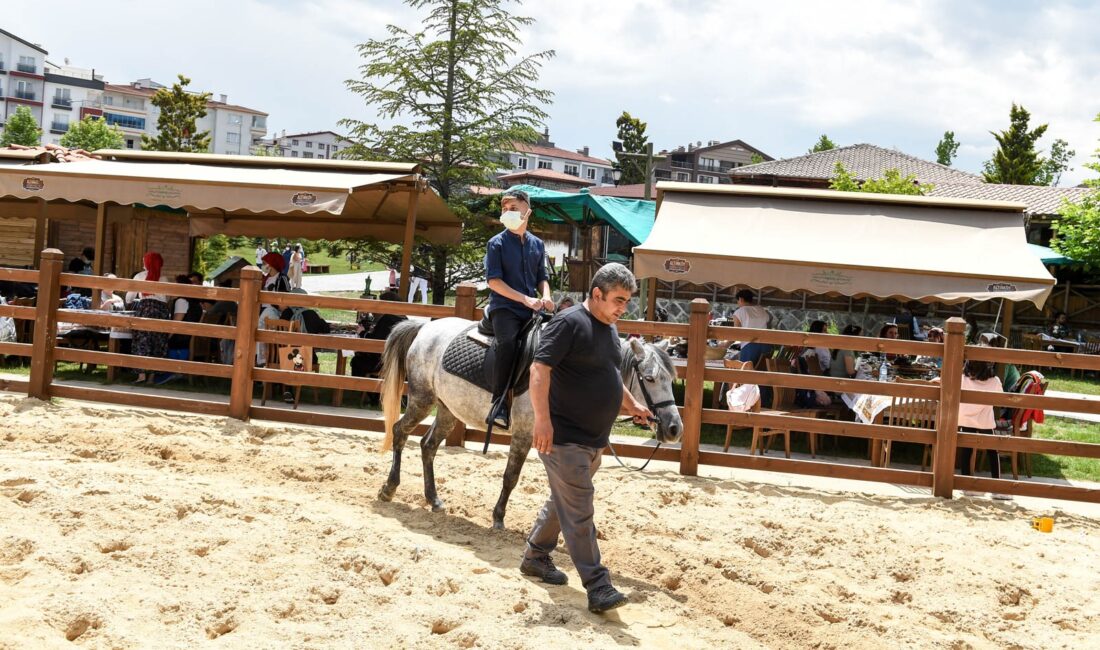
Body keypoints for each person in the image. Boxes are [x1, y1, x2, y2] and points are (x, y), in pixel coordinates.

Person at [522, 263, 651, 614]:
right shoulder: (569, 323)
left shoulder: (609, 328)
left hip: (593, 440)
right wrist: (542, 421)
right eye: (618, 300)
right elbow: (539, 369)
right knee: (580, 511)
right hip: (563, 438)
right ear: (597, 295)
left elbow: (609, 375)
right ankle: (598, 586)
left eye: (627, 301)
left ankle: (535, 555)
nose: (623, 307)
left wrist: (633, 403)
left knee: (564, 501)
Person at [483, 189, 554, 430]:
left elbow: (542, 277)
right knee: (508, 343)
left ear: (527, 211)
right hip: (504, 308)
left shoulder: (538, 244)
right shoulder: (496, 243)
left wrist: (546, 295)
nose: (507, 213)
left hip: (532, 308)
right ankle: (498, 404)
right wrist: (525, 299)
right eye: (504, 209)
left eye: (513, 209)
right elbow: (493, 281)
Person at [954, 358, 1011, 500]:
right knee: (992, 452)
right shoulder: (995, 381)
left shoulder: (962, 379)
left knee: (967, 451)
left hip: (965, 418)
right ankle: (996, 486)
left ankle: (967, 485)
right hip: (985, 420)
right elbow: (1000, 400)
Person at [124, 252, 169, 384]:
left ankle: (141, 376)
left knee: (141, 341)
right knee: (158, 342)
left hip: (145, 309)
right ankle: (152, 378)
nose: (143, 263)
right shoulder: (164, 278)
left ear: (147, 262)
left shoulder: (139, 276)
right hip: (160, 311)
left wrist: (140, 295)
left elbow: (128, 298)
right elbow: (166, 299)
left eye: (144, 260)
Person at [351, 291, 406, 381]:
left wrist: (362, 332)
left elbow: (374, 343)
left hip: (385, 363)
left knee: (357, 361)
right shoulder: (404, 319)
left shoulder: (387, 319)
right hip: (399, 363)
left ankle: (358, 386)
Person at [730, 289, 771, 366]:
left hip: (750, 346)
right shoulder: (761, 310)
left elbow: (735, 334)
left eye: (737, 301)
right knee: (761, 372)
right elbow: (768, 324)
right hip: (766, 345)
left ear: (741, 299)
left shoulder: (739, 312)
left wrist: (725, 344)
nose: (737, 303)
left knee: (745, 372)